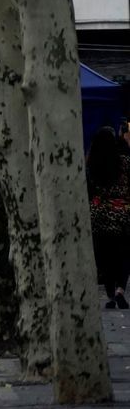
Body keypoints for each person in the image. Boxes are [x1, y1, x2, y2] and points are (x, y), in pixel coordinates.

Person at [86, 129, 130, 310]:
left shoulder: (92, 166)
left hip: (100, 217)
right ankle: (120, 290)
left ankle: (111, 296)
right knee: (124, 255)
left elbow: (89, 192)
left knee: (105, 259)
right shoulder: (125, 163)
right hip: (122, 215)